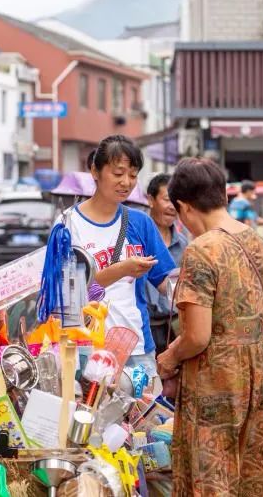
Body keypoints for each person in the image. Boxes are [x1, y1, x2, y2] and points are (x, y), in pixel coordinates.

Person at [157, 158, 263, 496]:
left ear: (183, 207)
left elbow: (197, 336)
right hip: (261, 371)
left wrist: (169, 357)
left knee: (212, 471)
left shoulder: (201, 250)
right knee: (253, 467)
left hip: (216, 378)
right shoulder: (257, 242)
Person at [60, 135, 176, 374]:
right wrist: (121, 270)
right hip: (85, 348)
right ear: (95, 170)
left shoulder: (140, 223)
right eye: (118, 173)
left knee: (143, 412)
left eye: (133, 175)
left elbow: (166, 281)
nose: (126, 182)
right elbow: (66, 292)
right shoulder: (67, 224)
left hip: (137, 348)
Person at [145, 173, 188, 355]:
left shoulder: (184, 242)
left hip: (174, 325)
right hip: (146, 326)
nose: (172, 207)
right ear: (151, 200)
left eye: (176, 202)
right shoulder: (138, 236)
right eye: (167, 200)